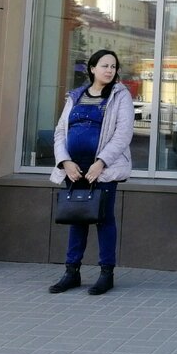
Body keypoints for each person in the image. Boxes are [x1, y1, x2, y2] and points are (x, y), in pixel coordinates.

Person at [48, 49, 134, 296]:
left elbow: (123, 134)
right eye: (105, 65)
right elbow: (60, 132)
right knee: (77, 218)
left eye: (113, 66)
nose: (109, 70)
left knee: (104, 219)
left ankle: (106, 274)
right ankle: (71, 272)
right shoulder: (76, 96)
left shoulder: (120, 95)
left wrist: (101, 163)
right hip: (75, 169)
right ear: (92, 68)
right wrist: (65, 161)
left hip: (103, 169)